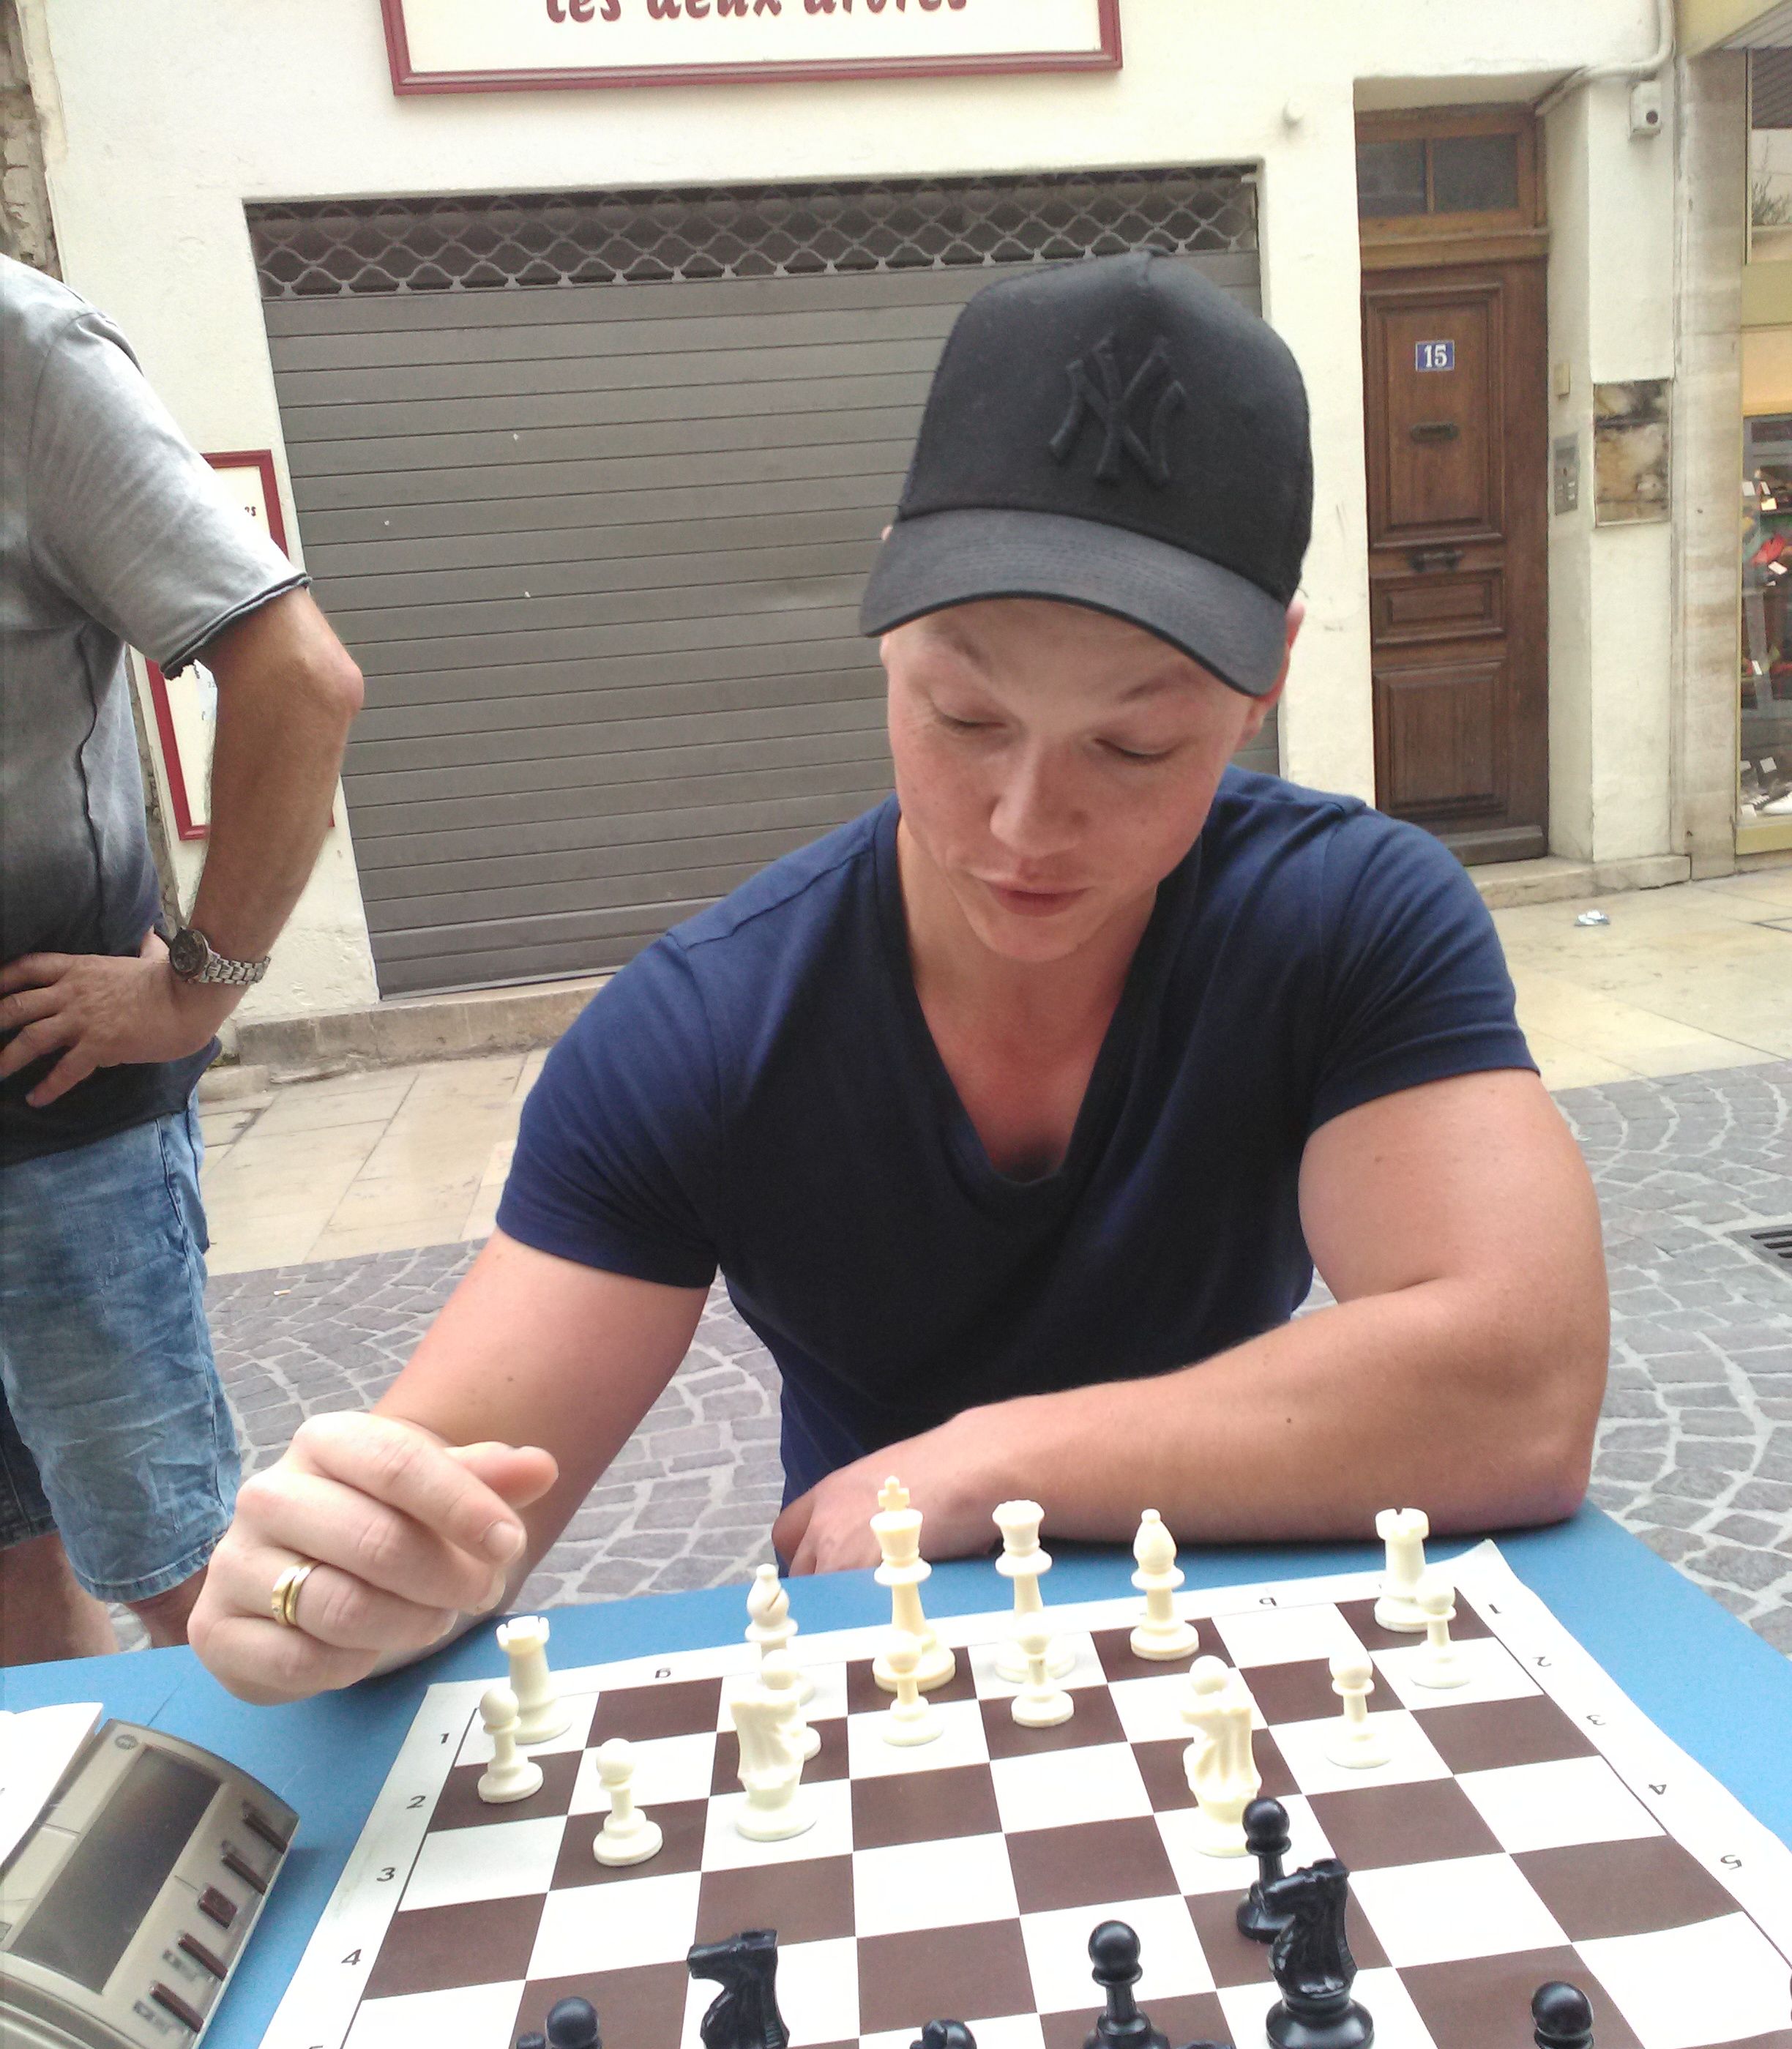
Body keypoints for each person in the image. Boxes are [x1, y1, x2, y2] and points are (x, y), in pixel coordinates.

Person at [189, 253, 1607, 1706]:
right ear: (885, 629)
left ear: (1269, 682)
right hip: (883, 1675)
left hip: (1232, 1658)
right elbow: (452, 1512)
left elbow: (1520, 1389)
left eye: (1135, 746)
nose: (1026, 824)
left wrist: (990, 1461)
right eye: (963, 715)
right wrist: (330, 1584)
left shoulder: (1349, 918)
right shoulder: (707, 1031)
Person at [0, 255, 364, 1667]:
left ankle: (335, 1803)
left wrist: (195, 988)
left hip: (47, 1121)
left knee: (187, 1585)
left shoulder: (24, 353)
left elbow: (300, 679)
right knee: (12, 1567)